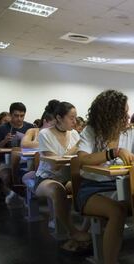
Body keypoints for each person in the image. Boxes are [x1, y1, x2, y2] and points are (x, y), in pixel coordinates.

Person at [77, 90, 134, 264]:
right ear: (109, 113)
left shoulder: (130, 132)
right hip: (92, 189)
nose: (127, 117)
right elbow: (83, 159)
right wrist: (114, 152)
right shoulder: (92, 131)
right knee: (117, 212)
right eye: (123, 113)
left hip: (121, 186)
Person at [34, 101, 90, 246]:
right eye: (71, 117)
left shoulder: (74, 134)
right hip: (46, 177)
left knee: (89, 187)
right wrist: (77, 147)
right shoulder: (44, 134)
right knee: (57, 190)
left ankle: (84, 229)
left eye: (76, 117)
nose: (75, 121)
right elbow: (55, 166)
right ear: (59, 118)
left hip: (67, 177)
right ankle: (71, 230)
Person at [0, 102, 34, 207]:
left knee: (30, 176)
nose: (19, 118)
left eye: (22, 116)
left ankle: (27, 196)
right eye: (16, 115)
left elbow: (36, 145)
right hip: (6, 162)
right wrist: (4, 140)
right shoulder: (2, 128)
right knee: (6, 177)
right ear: (10, 115)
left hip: (26, 162)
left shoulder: (30, 128)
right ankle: (23, 195)